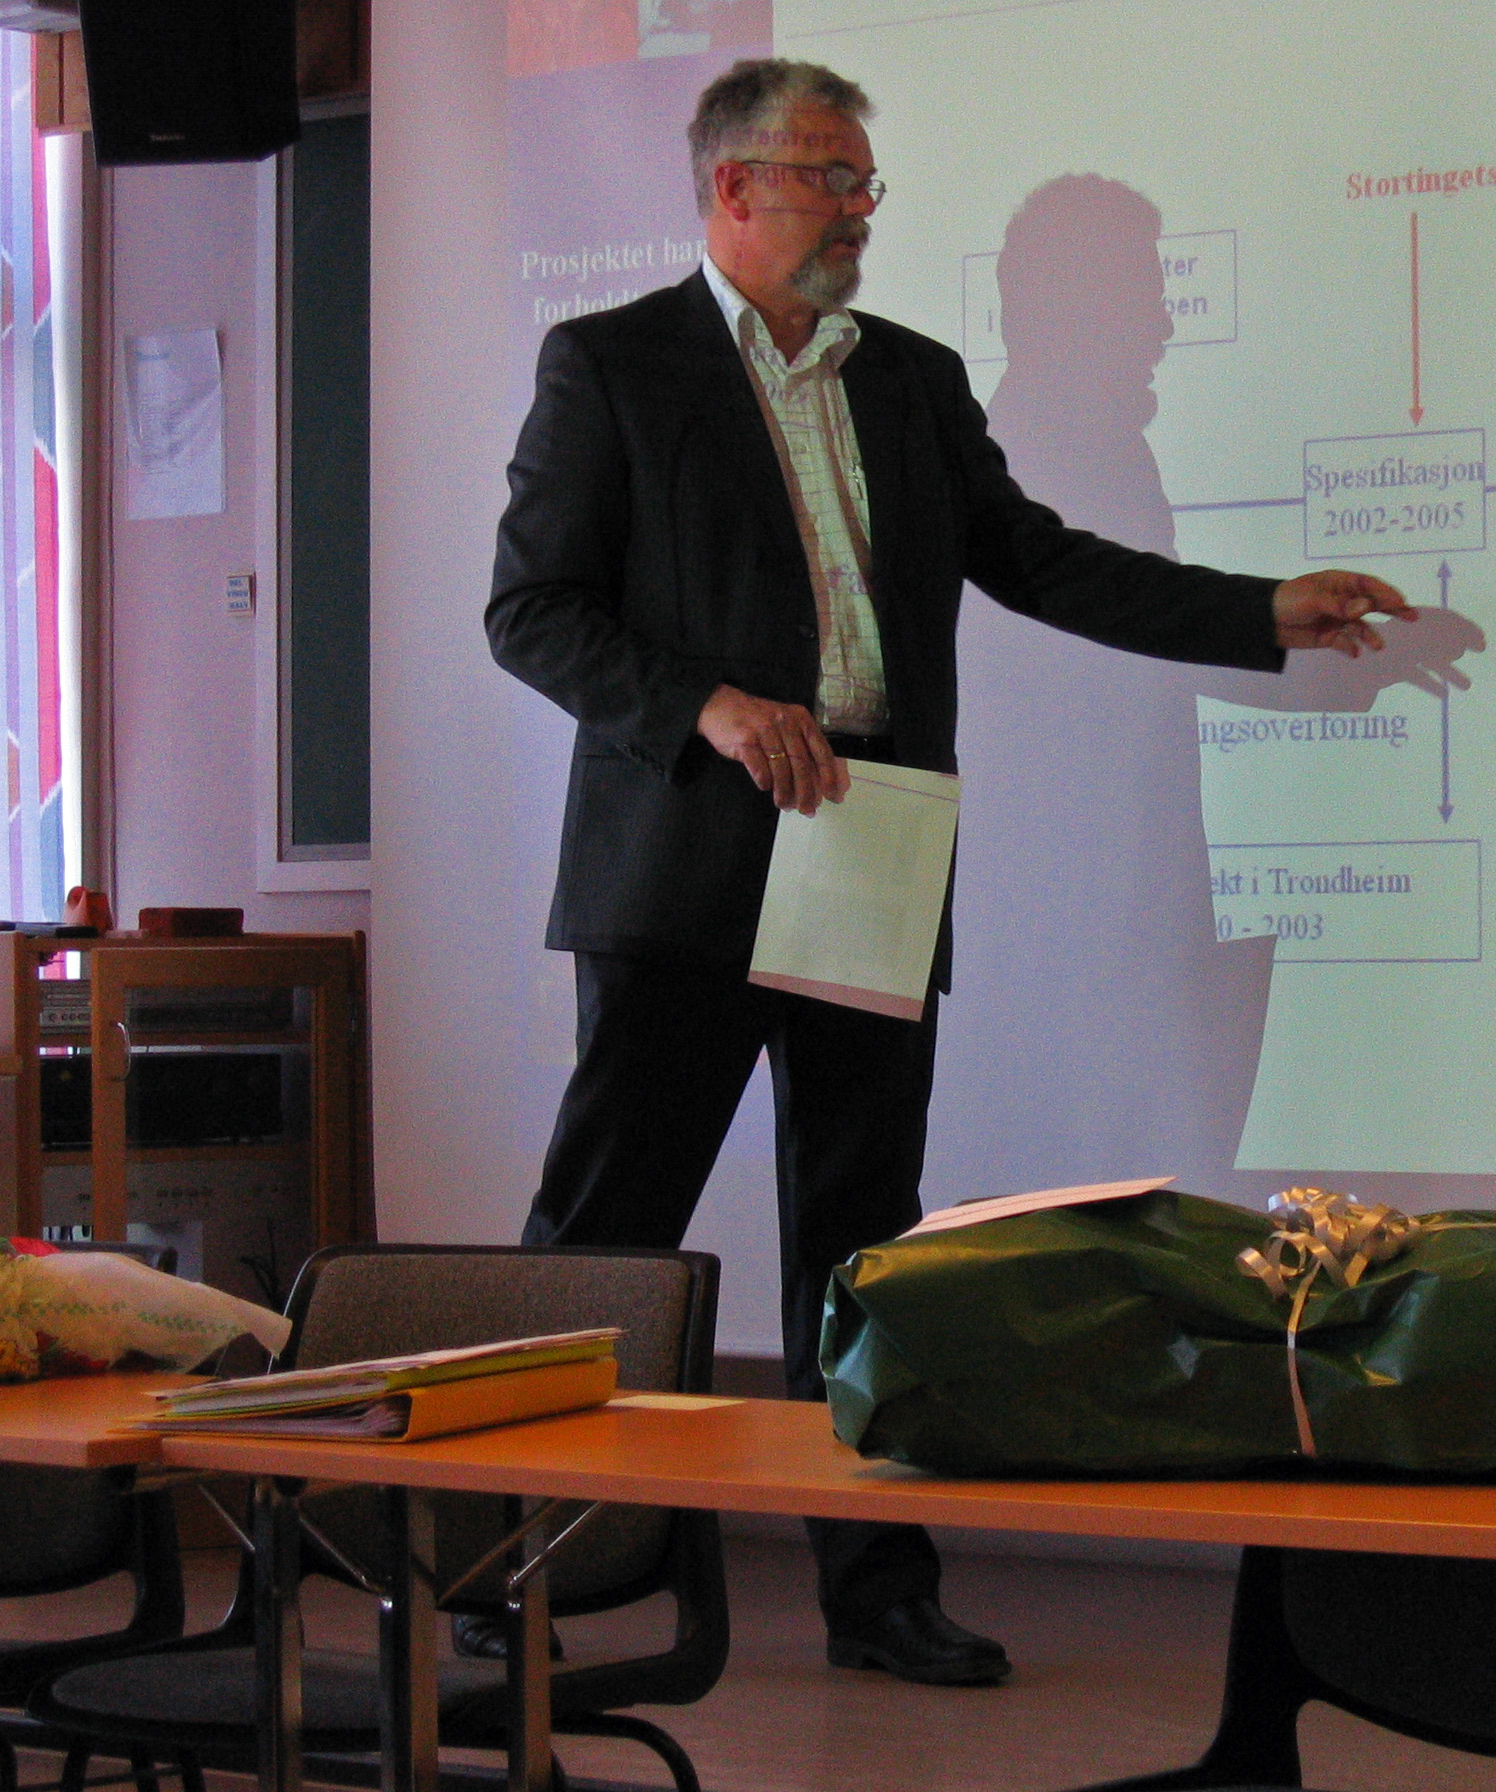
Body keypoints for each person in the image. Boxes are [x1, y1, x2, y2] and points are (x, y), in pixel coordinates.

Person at [485, 57, 1415, 1687]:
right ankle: (516, 1563)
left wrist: (1259, 613)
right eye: (829, 176)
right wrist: (704, 704)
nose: (858, 208)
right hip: (689, 854)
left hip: (871, 836)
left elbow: (1036, 559)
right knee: (608, 1235)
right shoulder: (612, 363)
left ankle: (874, 1592)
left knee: (864, 1240)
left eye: (865, 181)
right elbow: (532, 611)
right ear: (733, 188)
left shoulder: (907, 377)